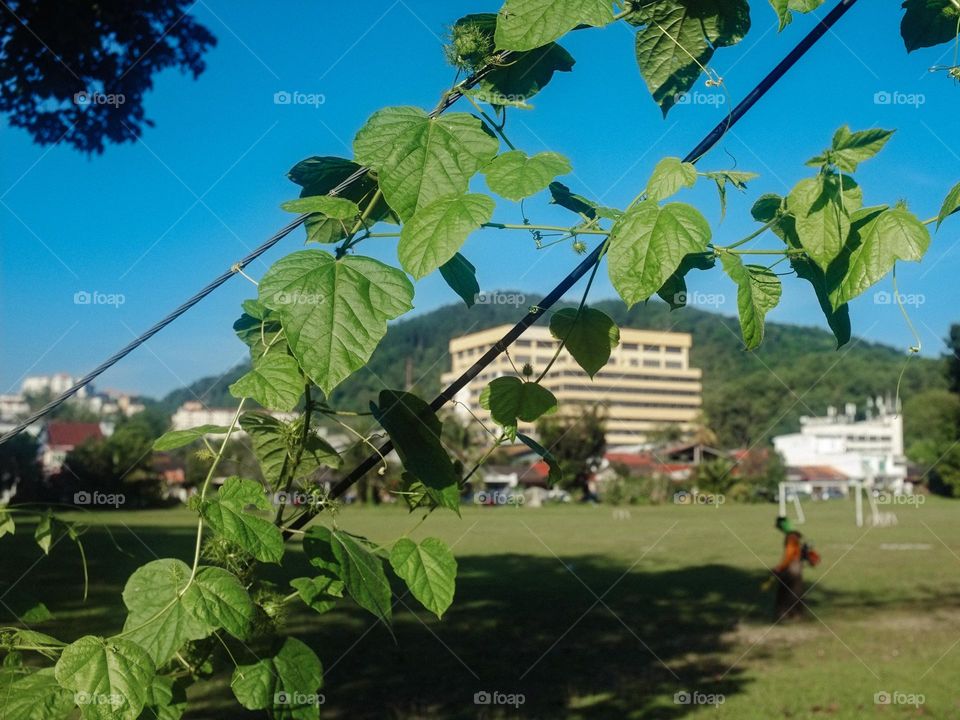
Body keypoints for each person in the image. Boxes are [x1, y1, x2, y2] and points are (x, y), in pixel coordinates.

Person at [768, 516, 820, 620]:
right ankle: (797, 615)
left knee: (784, 592)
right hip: (798, 567)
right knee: (796, 592)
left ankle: (784, 614)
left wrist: (780, 567)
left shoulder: (791, 537)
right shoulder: (797, 535)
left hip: (791, 568)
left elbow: (790, 555)